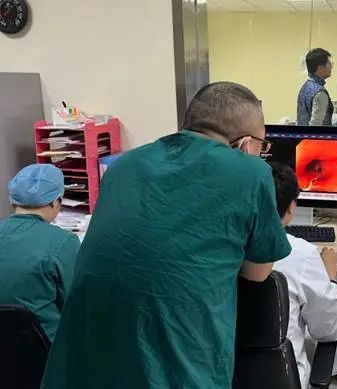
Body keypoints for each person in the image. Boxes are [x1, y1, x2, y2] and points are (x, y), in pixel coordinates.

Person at [42, 82, 292, 389]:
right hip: (171, 370)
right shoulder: (251, 172)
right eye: (261, 146)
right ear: (245, 145)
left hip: (81, 365)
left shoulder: (124, 164)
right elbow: (257, 273)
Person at [269, 162, 337, 388]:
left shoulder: (221, 251)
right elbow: (329, 330)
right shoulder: (301, 254)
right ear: (291, 208)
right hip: (283, 379)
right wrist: (330, 278)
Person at [0, 164, 80, 341]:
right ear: (55, 202)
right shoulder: (63, 242)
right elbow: (77, 305)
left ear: (13, 201)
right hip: (45, 349)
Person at [297, 48, 334, 126]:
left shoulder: (305, 87)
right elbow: (316, 125)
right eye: (329, 64)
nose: (331, 67)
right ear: (320, 68)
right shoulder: (320, 92)